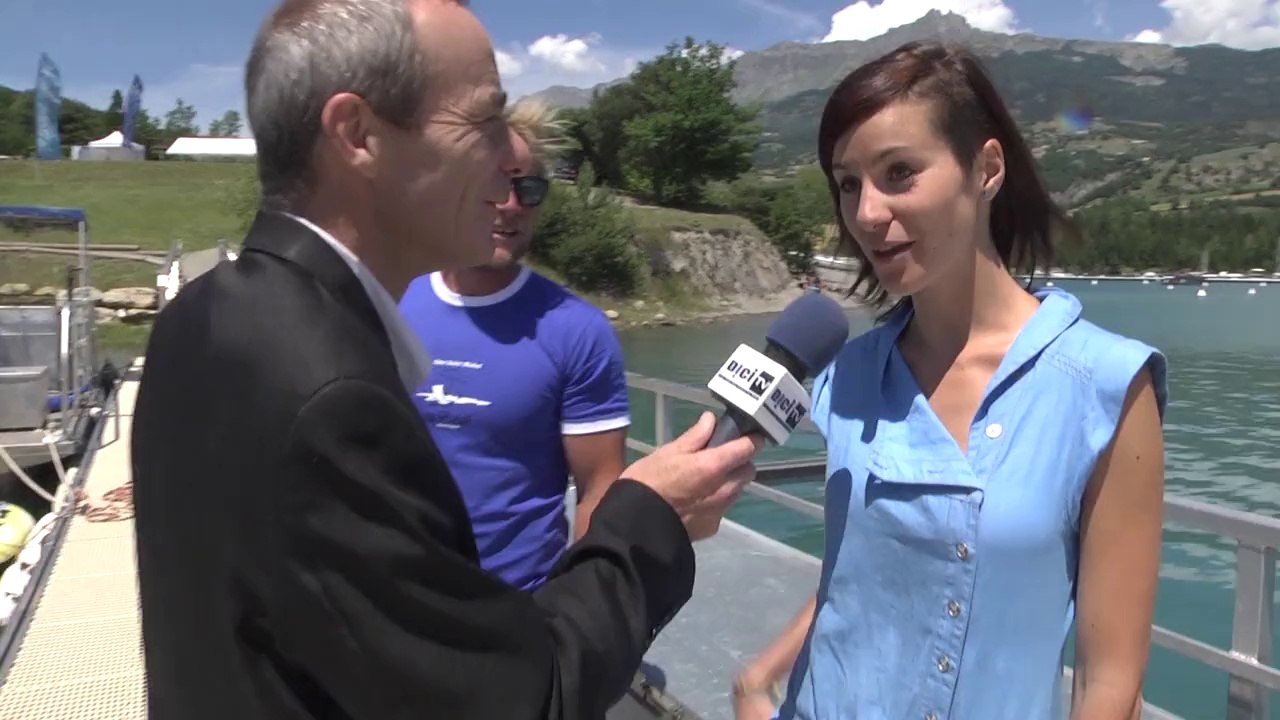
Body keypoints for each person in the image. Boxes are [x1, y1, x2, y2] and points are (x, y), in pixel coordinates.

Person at [129, 1, 763, 719]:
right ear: (359, 135)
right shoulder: (333, 397)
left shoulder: (196, 315)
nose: (507, 162)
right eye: (483, 121)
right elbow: (526, 702)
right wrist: (652, 519)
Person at [732, 42, 1168, 720]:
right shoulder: (845, 376)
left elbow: (1109, 683)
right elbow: (856, 575)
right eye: (847, 184)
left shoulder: (1107, 387)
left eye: (899, 173)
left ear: (986, 169)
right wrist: (756, 681)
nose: (866, 213)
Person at [399, 99, 629, 591]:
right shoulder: (389, 300)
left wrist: (583, 607)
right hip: (391, 595)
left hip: (517, 608)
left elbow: (600, 490)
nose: (510, 204)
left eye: (528, 189)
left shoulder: (578, 331)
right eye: (492, 183)